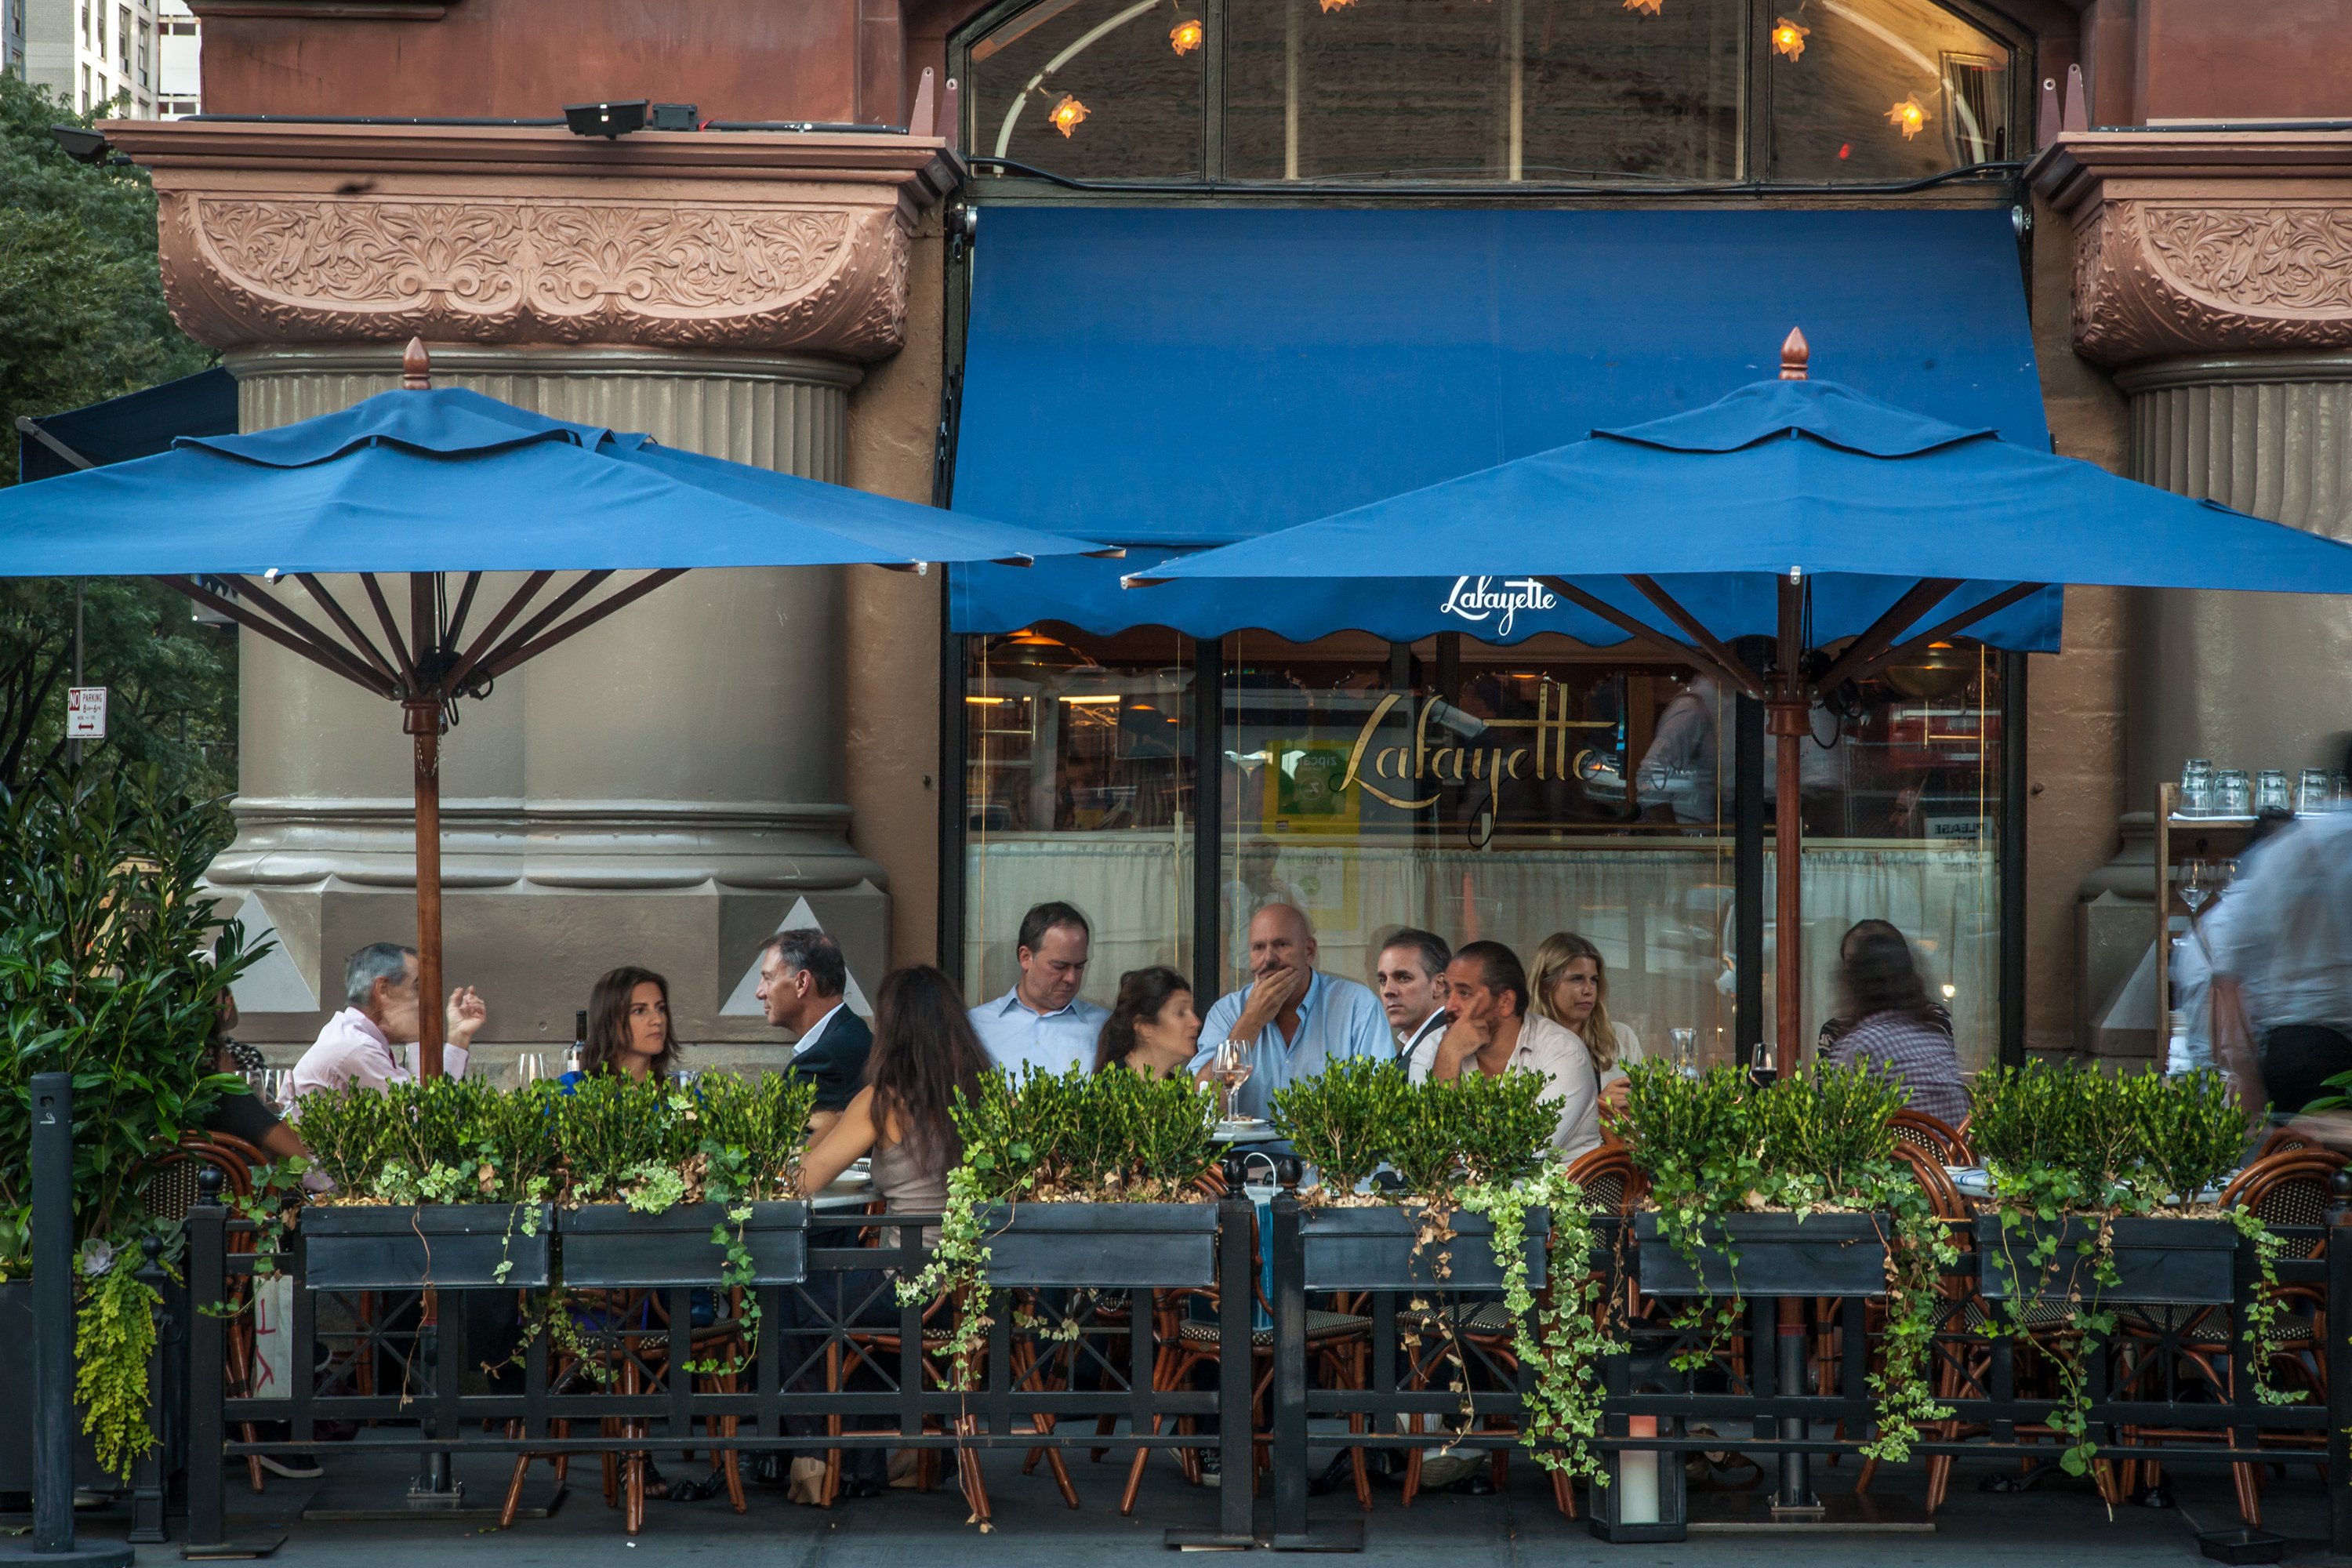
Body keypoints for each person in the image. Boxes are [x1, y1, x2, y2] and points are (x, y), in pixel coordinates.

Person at [1191, 903, 1392, 1123]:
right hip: (1245, 1157)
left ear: (1309, 951)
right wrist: (1251, 1021)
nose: (1268, 959)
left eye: (1281, 945)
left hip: (1329, 1156)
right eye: (1258, 947)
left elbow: (1379, 1104)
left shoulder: (1357, 1006)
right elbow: (1203, 1106)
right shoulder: (1227, 1012)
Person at [2209, 811, 2352, 1117]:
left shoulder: (2285, 849)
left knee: (2301, 1158)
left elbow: (2227, 974)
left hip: (2294, 1049)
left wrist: (2243, 1073)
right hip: (2317, 1046)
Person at [1414, 940, 1601, 1162]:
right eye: (1448, 993)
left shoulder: (1564, 1053)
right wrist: (1449, 1057)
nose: (1450, 1006)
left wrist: (1457, 1154)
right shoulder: (1433, 1048)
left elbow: (1525, 1158)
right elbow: (1428, 1154)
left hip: (1560, 1193)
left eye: (1464, 993)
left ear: (1506, 1002)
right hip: (1459, 1194)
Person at [291, 943, 487, 1100]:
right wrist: (421, 1039)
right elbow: (424, 1119)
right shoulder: (356, 1048)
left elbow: (431, 1106)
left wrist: (458, 1036)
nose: (426, 1002)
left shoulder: (352, 1034)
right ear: (383, 989)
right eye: (417, 987)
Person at [1820, 927, 1968, 1126]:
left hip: (1900, 1157)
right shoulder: (1936, 1039)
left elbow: (1835, 1130)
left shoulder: (1858, 1047)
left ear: (1855, 986)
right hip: (1955, 1155)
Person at [967, 902, 1111, 1076]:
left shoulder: (1105, 1027)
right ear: (1025, 957)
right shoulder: (975, 1025)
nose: (1071, 978)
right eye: (1059, 966)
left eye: (1079, 967)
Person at [754, 929, 871, 1140]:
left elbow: (773, 1145)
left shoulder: (822, 1061)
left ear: (801, 983)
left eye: (768, 979)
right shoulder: (854, 1031)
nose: (759, 992)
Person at [1529, 932, 1645, 1110]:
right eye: (1577, 979)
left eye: (1594, 980)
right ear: (1545, 985)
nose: (1589, 990)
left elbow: (1652, 1110)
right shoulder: (1525, 1046)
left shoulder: (1621, 1037)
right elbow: (1530, 1130)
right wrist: (1599, 1108)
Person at [1816, 920, 1952, 1057]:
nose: (1865, 972)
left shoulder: (1935, 1018)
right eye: (1853, 962)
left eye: (1875, 962)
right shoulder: (1834, 1030)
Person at [202, 989, 307, 1163]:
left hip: (165, 1190)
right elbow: (297, 1154)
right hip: (231, 1189)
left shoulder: (155, 1082)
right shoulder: (227, 1092)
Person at [559, 967, 678, 1087]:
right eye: (639, 1011)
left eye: (660, 1008)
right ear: (609, 1021)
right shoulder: (571, 1090)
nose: (657, 1020)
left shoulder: (681, 1094)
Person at [1094, 967, 1203, 1077]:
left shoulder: (1181, 1092)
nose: (1196, 1022)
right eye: (1181, 1013)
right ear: (1144, 1027)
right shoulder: (1109, 1089)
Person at [1374, 929, 1452, 1067]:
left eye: (1403, 978)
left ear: (1439, 985)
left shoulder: (1445, 1046)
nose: (1387, 991)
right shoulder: (1420, 1043)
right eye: (1383, 980)